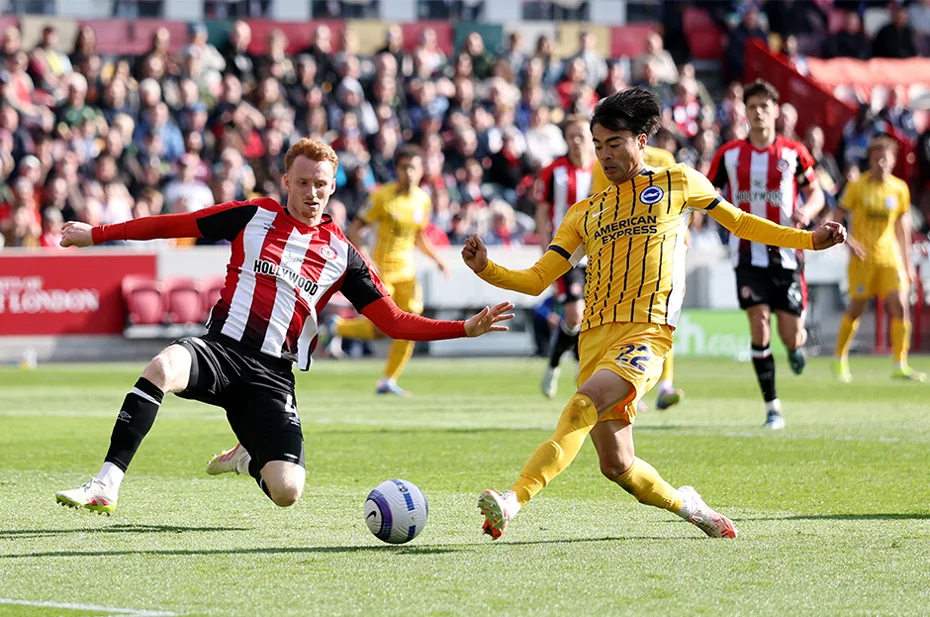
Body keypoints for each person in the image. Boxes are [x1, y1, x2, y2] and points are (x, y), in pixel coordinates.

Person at [462, 87, 846, 541]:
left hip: (646, 334)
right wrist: (486, 268)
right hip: (594, 340)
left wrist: (808, 240)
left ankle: (512, 501)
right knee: (617, 466)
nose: (604, 155)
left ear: (641, 141)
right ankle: (690, 506)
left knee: (582, 405)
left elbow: (740, 222)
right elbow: (536, 278)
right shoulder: (584, 213)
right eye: (598, 145)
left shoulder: (677, 181)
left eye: (614, 144)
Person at [53, 138, 513, 515]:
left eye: (322, 185)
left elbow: (392, 321)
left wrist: (463, 328)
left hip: (272, 377)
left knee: (288, 491)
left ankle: (247, 457)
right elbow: (178, 223)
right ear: (287, 181)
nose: (312, 193)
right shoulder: (253, 215)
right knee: (161, 366)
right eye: (304, 183)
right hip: (220, 350)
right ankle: (105, 484)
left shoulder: (343, 255)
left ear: (332, 187)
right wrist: (98, 234)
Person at [707, 80, 825, 430]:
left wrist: (807, 212)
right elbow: (708, 192)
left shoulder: (793, 153)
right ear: (744, 112)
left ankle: (795, 347)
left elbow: (816, 193)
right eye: (752, 106)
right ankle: (773, 407)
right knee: (758, 325)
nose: (758, 112)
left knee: (791, 335)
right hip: (746, 255)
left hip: (786, 256)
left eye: (764, 106)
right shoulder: (728, 154)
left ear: (775, 111)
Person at [322, 144, 451, 397]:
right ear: (396, 170)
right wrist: (366, 258)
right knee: (384, 328)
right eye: (403, 168)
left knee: (411, 323)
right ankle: (337, 328)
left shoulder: (423, 200)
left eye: (413, 168)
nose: (408, 173)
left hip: (407, 272)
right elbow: (356, 228)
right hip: (382, 271)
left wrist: (438, 260)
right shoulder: (382, 197)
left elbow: (419, 236)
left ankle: (388, 379)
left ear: (421, 170)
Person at [591, 144, 684, 411]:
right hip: (623, 255)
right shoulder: (604, 163)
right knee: (625, 320)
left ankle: (664, 386)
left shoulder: (664, 158)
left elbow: (678, 203)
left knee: (663, 319)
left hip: (663, 253)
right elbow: (600, 206)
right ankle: (629, 387)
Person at [833, 136, 925, 383]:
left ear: (893, 161)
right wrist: (848, 242)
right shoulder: (857, 186)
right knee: (857, 309)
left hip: (889, 257)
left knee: (900, 306)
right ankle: (839, 358)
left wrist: (907, 264)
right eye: (877, 158)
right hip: (862, 258)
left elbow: (902, 228)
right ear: (870, 160)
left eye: (885, 158)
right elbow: (838, 214)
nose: (881, 163)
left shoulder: (899, 189)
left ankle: (900, 364)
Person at [536, 115, 596, 399]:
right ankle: (555, 366)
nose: (576, 141)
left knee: (591, 319)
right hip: (567, 255)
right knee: (574, 316)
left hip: (600, 253)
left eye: (581, 135)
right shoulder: (554, 171)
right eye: (571, 135)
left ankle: (579, 367)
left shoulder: (603, 169)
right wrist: (546, 252)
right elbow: (541, 212)